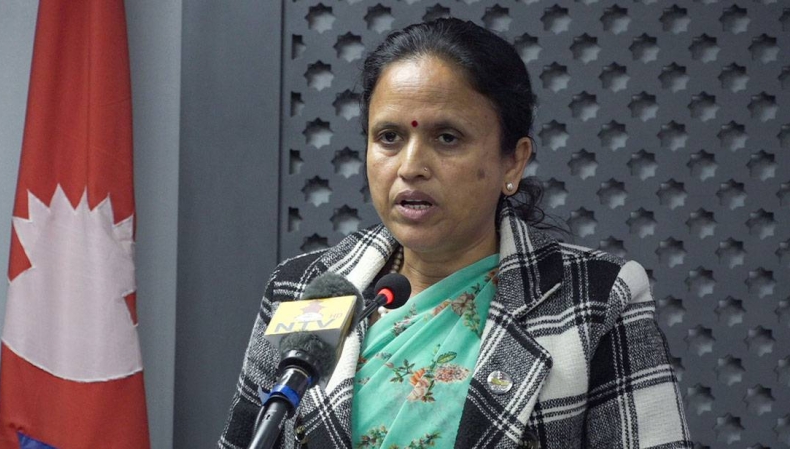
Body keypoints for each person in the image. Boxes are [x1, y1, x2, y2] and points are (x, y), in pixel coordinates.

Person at [219, 18, 691, 449]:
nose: (410, 167)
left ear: (513, 162)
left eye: (447, 138)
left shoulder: (594, 298)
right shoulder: (304, 288)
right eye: (389, 137)